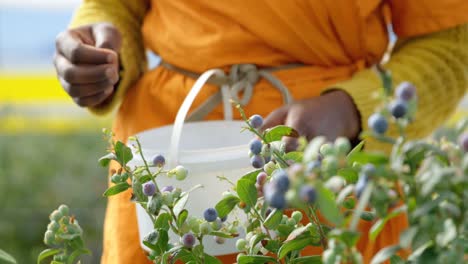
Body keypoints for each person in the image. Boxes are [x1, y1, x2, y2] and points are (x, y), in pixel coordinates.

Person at [53, 1, 468, 263]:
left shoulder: (345, 119)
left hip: (329, 161)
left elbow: (450, 42)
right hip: (168, 158)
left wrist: (351, 109)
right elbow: (117, 6)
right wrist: (102, 48)